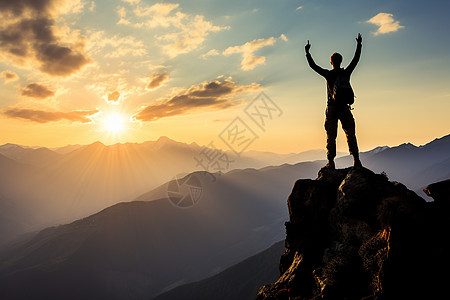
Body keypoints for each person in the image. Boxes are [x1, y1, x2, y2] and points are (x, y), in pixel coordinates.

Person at [305, 33, 363, 169]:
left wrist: (307, 53)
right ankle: (356, 160)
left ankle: (331, 162)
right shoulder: (346, 73)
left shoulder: (328, 74)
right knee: (350, 133)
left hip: (332, 108)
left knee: (331, 136)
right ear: (341, 61)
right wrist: (359, 45)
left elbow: (313, 66)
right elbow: (356, 59)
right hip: (344, 108)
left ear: (331, 62)